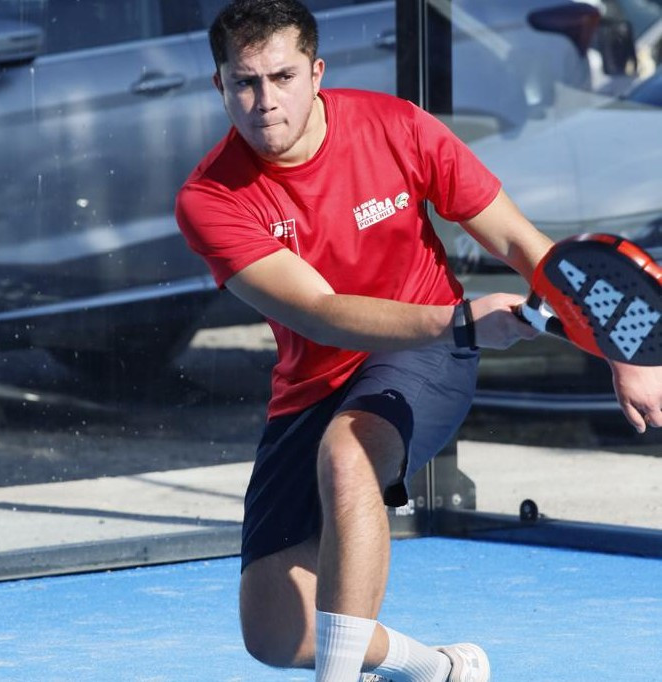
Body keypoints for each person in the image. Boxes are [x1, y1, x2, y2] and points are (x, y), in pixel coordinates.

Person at [175, 1, 662, 680]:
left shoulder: (397, 126)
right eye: (245, 82)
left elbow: (520, 243)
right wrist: (464, 320)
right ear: (219, 85)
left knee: (349, 456)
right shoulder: (210, 199)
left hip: (424, 356)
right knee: (278, 634)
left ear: (316, 72)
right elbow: (319, 311)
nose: (265, 102)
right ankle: (435, 667)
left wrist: (622, 351)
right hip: (325, 376)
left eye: (282, 77)